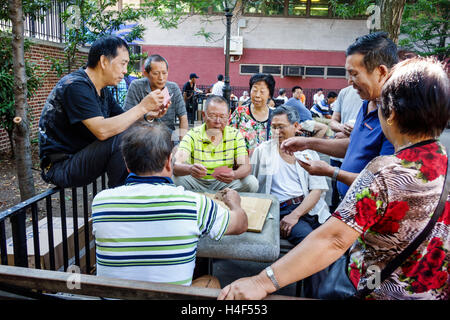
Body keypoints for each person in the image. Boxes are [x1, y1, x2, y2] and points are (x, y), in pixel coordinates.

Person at [218, 57, 450, 300]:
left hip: (381, 292)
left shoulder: (384, 171)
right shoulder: (440, 160)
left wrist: (261, 282)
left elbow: (334, 239)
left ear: (390, 113)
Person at [92, 122, 248, 287]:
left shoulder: (101, 201)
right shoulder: (194, 204)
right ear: (168, 162)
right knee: (212, 281)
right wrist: (235, 203)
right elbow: (241, 224)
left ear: (127, 164)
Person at [280, 32, 397, 200]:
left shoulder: (395, 117)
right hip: (348, 201)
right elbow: (354, 145)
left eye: (355, 74)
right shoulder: (366, 103)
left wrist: (331, 172)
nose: (349, 81)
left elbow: (383, 182)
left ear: (381, 72)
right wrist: (307, 143)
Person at [38, 36, 166, 189]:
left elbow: (124, 121)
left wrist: (148, 115)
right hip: (59, 166)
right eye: (123, 63)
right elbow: (102, 130)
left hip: (81, 157)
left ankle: (143, 188)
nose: (125, 71)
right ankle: (120, 200)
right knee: (121, 139)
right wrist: (142, 107)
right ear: (104, 61)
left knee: (139, 132)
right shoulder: (74, 86)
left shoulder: (102, 90)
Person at [251, 105, 330, 297]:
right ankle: (316, 297)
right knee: (312, 246)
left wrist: (297, 214)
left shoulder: (307, 153)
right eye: (273, 126)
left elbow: (317, 189)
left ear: (296, 126)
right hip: (283, 211)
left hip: (310, 209)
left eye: (282, 127)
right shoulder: (263, 151)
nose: (277, 132)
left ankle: (330, 291)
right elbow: (252, 184)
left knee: (335, 241)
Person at [173, 95, 259, 193]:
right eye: (213, 116)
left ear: (229, 115)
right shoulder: (192, 134)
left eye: (222, 117)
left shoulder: (235, 135)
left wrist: (234, 174)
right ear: (204, 115)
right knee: (176, 180)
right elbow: (176, 166)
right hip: (196, 182)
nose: (218, 121)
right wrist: (190, 168)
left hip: (224, 183)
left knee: (251, 182)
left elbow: (246, 166)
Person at [123, 54, 188, 141]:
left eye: (164, 73)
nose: (161, 78)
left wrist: (183, 145)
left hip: (167, 137)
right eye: (156, 73)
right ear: (146, 73)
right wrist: (147, 116)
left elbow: (183, 117)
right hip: (142, 137)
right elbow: (127, 117)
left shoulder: (173, 88)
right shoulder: (136, 86)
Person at [328, 86, 363, 212]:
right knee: (335, 191)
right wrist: (342, 128)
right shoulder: (344, 92)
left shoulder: (375, 97)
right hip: (337, 152)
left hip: (356, 154)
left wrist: (355, 133)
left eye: (355, 73)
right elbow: (333, 122)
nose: (351, 80)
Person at [229, 73, 275, 156]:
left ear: (269, 95)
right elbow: (228, 138)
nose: (257, 95)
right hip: (241, 164)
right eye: (254, 90)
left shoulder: (276, 117)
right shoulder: (240, 113)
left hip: (266, 166)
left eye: (262, 92)